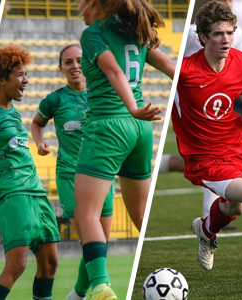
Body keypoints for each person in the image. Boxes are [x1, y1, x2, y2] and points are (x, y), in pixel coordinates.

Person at [73, 0, 176, 298]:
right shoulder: (135, 30)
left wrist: (131, 108)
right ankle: (166, 265)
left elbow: (115, 72)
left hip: (109, 125)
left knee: (86, 214)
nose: (78, 5)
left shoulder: (94, 33)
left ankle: (101, 287)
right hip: (142, 130)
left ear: (94, 3)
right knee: (140, 213)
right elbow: (171, 66)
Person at [173, 1, 242, 271]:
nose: (226, 39)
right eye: (219, 34)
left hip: (235, 149)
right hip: (204, 157)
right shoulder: (184, 70)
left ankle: (206, 231)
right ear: (203, 37)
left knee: (237, 208)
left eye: (230, 33)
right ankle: (208, 230)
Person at [0, 46, 59, 300]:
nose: (27, 80)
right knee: (17, 265)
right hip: (12, 194)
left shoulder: (13, 111)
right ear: (2, 79)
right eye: (20, 75)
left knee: (50, 265)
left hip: (36, 192)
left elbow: (0, 153)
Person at [30, 44, 114, 300]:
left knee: (101, 243)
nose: (75, 66)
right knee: (90, 241)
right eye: (68, 62)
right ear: (61, 69)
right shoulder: (54, 100)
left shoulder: (103, 93)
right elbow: (36, 123)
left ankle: (77, 295)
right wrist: (40, 142)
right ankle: (102, 289)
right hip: (70, 175)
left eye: (79, 60)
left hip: (102, 173)